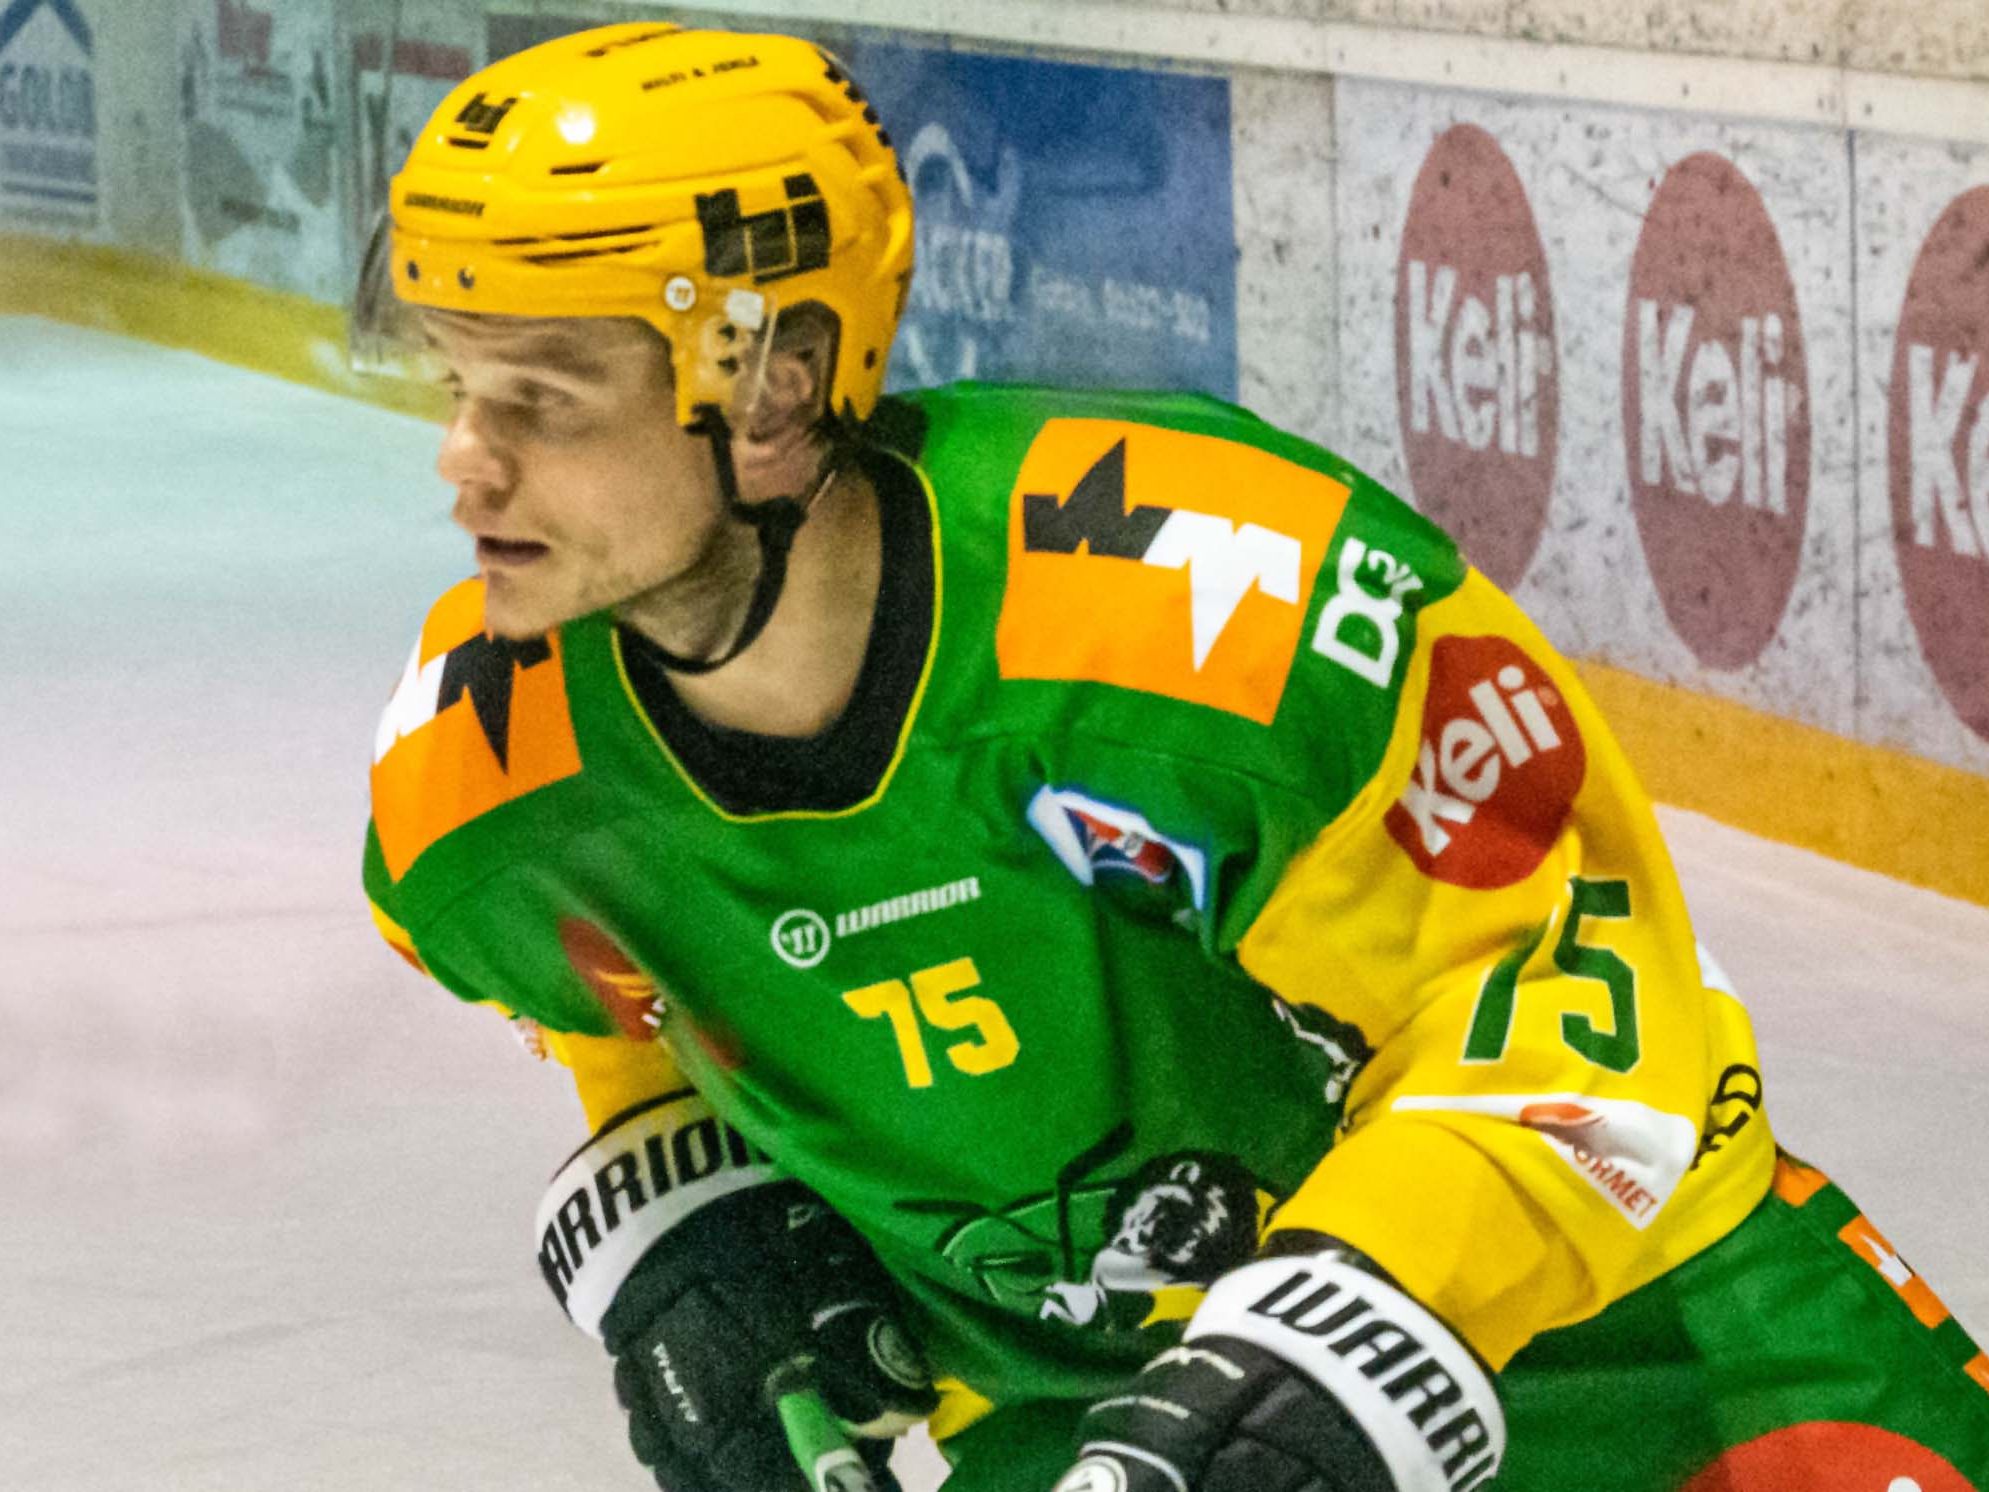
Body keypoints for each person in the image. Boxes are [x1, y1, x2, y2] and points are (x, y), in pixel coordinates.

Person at [352, 22, 1989, 1492]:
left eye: (545, 401)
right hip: (1093, 1410)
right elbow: (611, 992)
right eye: (454, 385)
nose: (461, 463)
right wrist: (681, 1205)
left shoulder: (1214, 594)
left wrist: (1336, 1341)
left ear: (776, 384)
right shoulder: (483, 767)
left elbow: (1577, 995)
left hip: (1635, 1336)